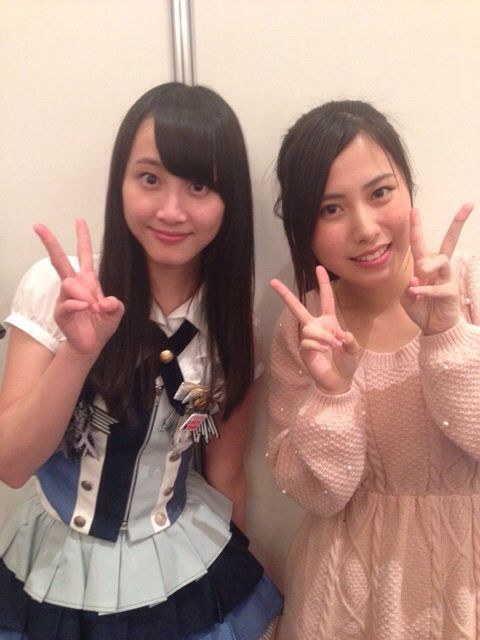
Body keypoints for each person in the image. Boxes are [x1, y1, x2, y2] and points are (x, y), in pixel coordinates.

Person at [0, 82, 282, 640]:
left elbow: (224, 471)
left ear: (228, 201)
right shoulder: (55, 288)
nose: (171, 211)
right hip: (55, 563)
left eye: (199, 185)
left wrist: (226, 589)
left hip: (178, 558)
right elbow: (11, 466)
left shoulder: (234, 326)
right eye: (150, 179)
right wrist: (79, 353)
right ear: (121, 183)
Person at [268, 100, 479, 640]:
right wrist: (333, 394)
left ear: (407, 188)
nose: (364, 228)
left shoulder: (468, 288)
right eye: (330, 209)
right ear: (303, 226)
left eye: (380, 192)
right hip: (344, 595)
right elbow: (318, 495)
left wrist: (446, 336)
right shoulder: (306, 329)